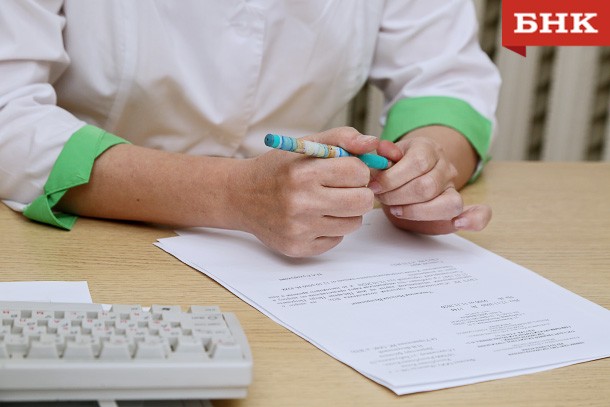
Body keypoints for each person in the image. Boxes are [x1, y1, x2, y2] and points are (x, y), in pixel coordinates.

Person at [0, 1, 500, 257]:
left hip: (312, 252)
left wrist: (423, 170)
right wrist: (232, 194)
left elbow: (446, 80)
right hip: (94, 235)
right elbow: (10, 113)